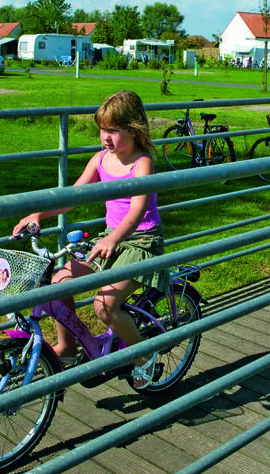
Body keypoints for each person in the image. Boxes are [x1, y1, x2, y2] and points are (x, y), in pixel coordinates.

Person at [13, 90, 168, 389]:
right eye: (102, 130)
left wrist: (114, 239)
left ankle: (144, 355)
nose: (106, 137)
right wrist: (38, 214)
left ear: (135, 130)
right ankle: (68, 348)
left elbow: (137, 210)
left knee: (105, 307)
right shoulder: (100, 160)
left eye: (114, 130)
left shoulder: (142, 163)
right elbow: (72, 196)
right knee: (59, 283)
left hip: (141, 242)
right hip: (111, 237)